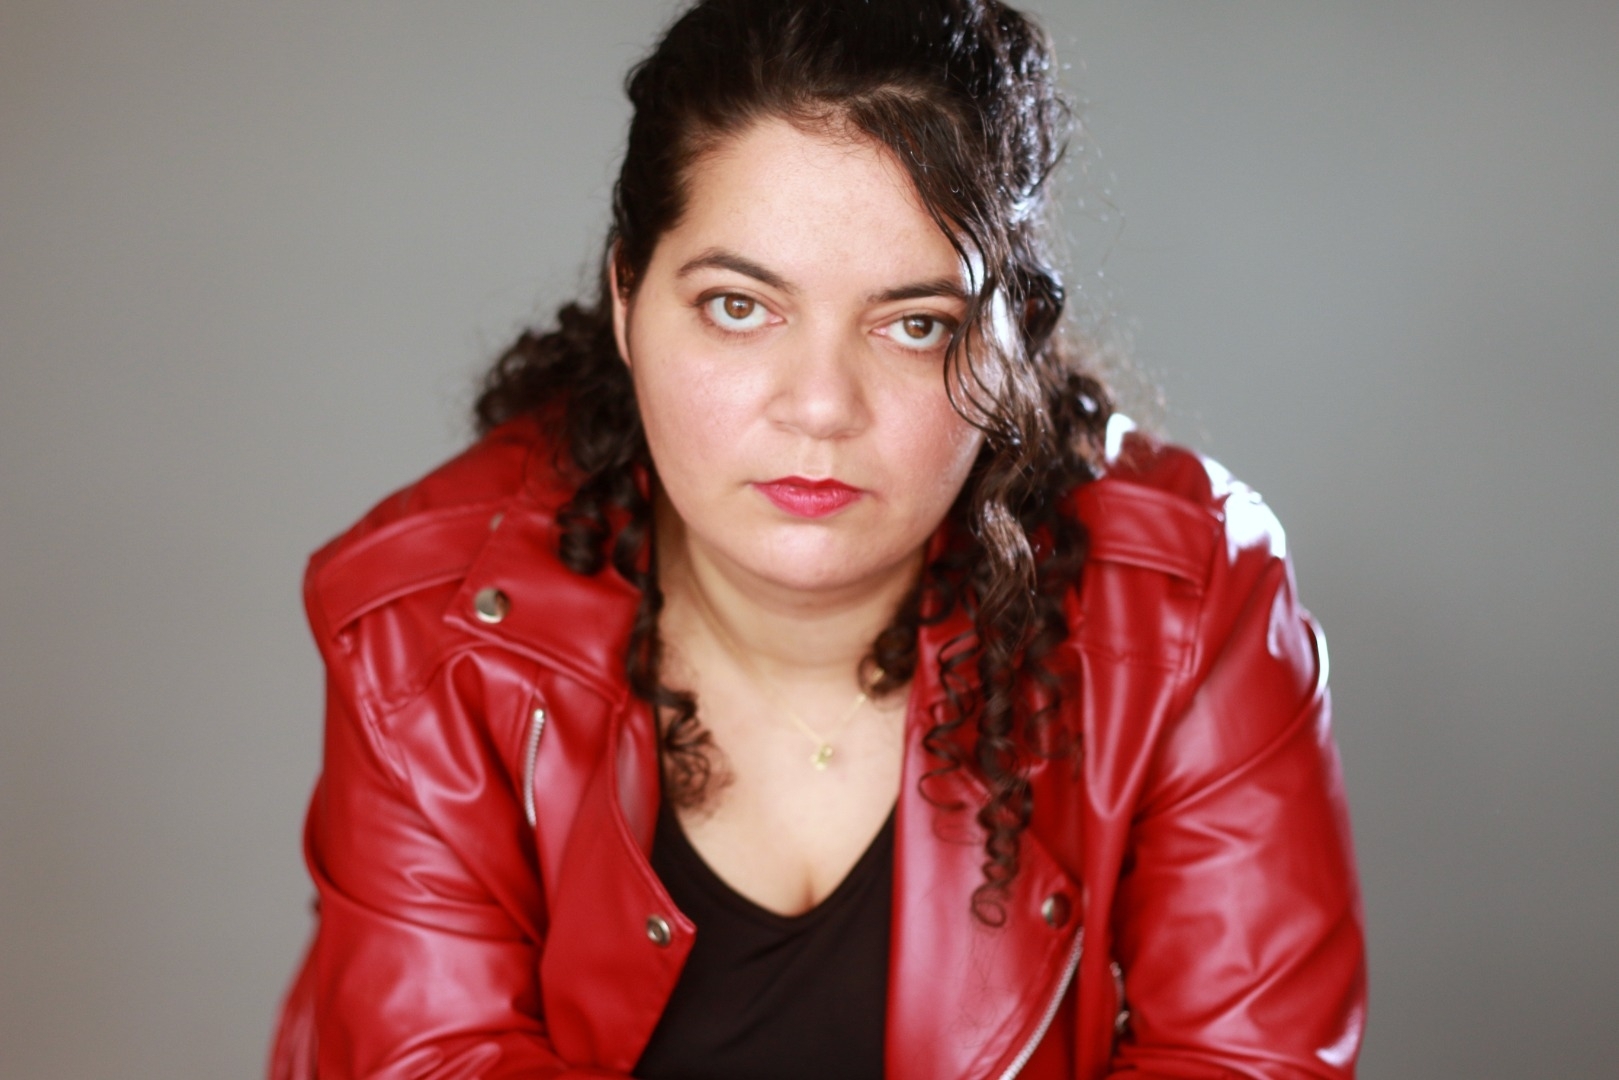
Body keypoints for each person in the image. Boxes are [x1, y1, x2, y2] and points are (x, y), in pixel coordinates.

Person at [270, 1, 1366, 1077]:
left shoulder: (1189, 598)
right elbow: (433, 1061)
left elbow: (1247, 1062)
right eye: (739, 307)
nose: (820, 406)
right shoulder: (429, 613)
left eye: (914, 326)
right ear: (626, 295)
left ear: (1011, 343)